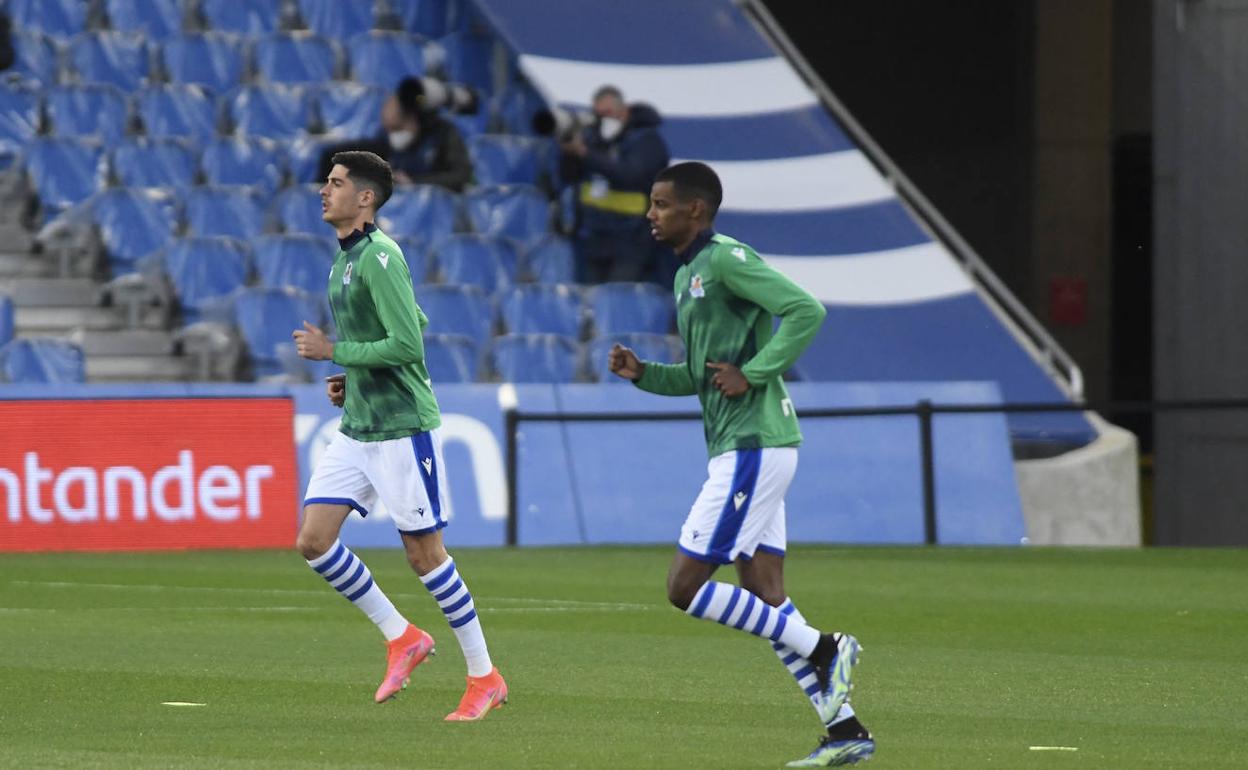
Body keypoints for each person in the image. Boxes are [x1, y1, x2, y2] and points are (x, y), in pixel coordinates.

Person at [608, 162, 874, 768]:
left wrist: (754, 372)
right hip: (745, 446)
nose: (650, 214)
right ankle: (845, 730)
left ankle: (828, 647)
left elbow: (807, 310)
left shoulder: (726, 259)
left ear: (695, 210)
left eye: (660, 204)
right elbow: (705, 380)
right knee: (765, 594)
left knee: (684, 587)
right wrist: (644, 373)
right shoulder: (687, 276)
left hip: (754, 447)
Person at [292, 150, 506, 721]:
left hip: (401, 427)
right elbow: (412, 320)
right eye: (326, 182)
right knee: (313, 540)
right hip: (358, 425)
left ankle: (485, 676)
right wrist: (352, 375)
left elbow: (410, 342)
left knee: (425, 556)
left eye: (335, 184)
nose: (324, 190)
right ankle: (403, 637)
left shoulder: (381, 255)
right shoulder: (344, 261)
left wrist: (336, 351)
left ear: (365, 198)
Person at [560, 85, 669, 284]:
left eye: (608, 113)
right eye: (599, 115)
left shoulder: (646, 141)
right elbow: (569, 177)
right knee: (592, 303)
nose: (604, 120)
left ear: (624, 111)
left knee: (618, 299)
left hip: (633, 239)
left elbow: (629, 175)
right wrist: (570, 154)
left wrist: (586, 154)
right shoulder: (592, 138)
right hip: (595, 237)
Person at [316, 78, 472, 192]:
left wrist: (414, 182)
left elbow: (460, 175)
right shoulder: (385, 143)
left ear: (421, 120)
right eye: (393, 129)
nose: (396, 134)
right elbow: (336, 156)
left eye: (402, 127)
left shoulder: (444, 134)